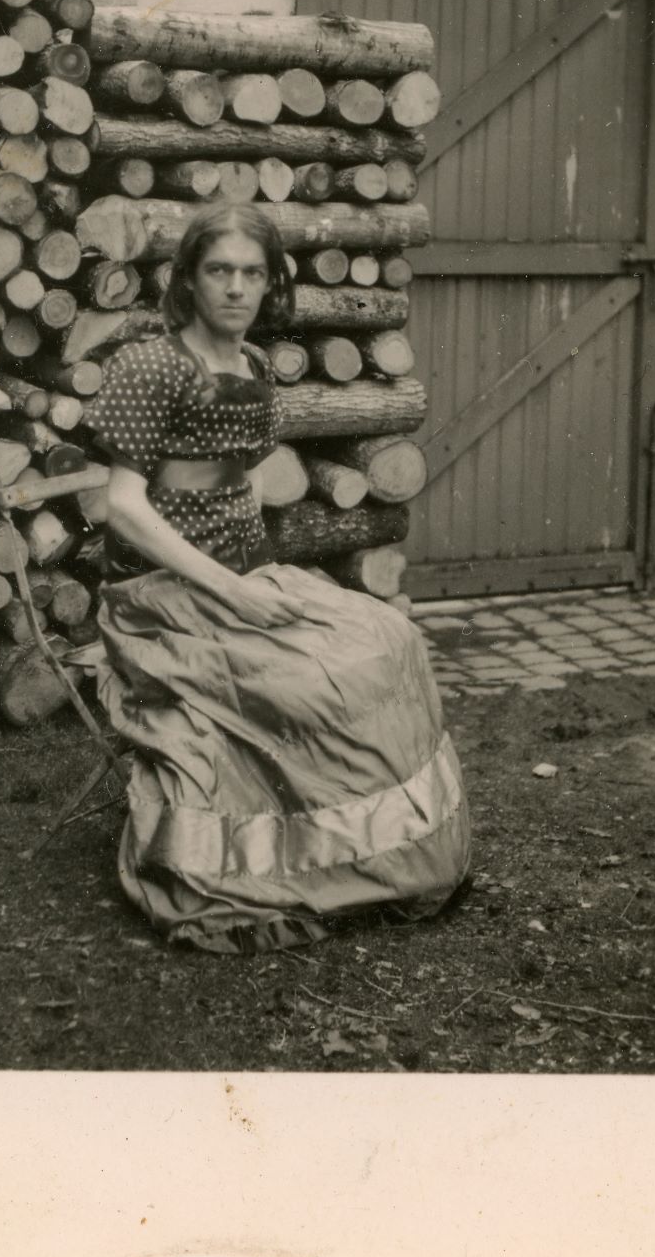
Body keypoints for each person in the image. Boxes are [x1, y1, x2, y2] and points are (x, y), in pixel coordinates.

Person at [78, 202, 471, 954]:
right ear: (187, 280)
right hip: (158, 601)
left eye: (251, 274)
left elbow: (244, 481)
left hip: (245, 576)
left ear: (270, 285)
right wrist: (228, 591)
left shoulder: (253, 368)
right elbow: (123, 507)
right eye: (218, 270)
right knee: (319, 681)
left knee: (389, 637)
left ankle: (390, 855)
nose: (234, 288)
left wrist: (261, 577)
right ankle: (295, 860)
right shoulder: (149, 365)